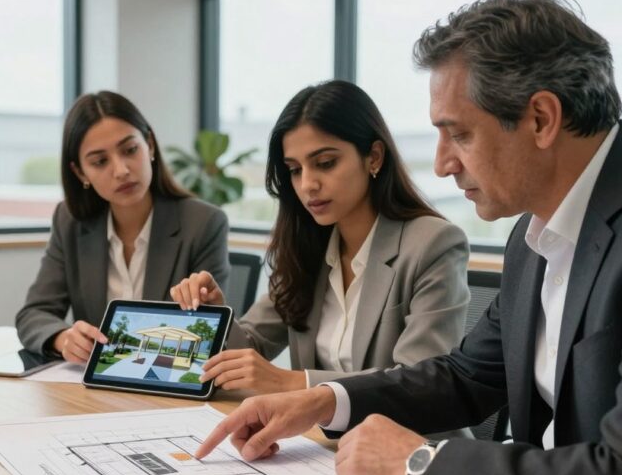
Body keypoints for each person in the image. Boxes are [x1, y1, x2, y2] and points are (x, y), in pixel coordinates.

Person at [195, 0, 622, 475]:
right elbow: (466, 376)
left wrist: (422, 462)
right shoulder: (533, 232)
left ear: (541, 118)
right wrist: (324, 401)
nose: (443, 165)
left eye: (459, 134)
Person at [170, 80, 470, 394]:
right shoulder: (307, 247)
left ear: (374, 157)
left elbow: (421, 382)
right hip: (315, 439)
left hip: (408, 440)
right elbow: (251, 348)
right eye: (295, 170)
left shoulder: (433, 245)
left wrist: (296, 382)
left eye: (325, 163)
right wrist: (215, 313)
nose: (307, 184)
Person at [16, 91, 229, 362]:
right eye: (100, 161)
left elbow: (210, 332)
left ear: (149, 145)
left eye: (130, 150)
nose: (121, 170)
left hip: (167, 385)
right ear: (81, 172)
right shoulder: (70, 221)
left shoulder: (203, 223)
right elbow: (33, 314)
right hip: (95, 390)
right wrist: (63, 338)